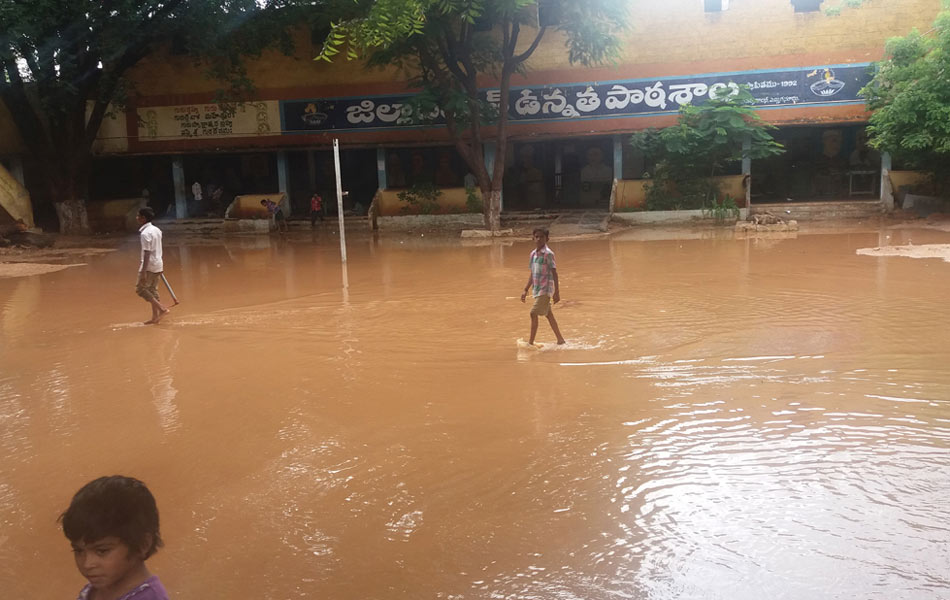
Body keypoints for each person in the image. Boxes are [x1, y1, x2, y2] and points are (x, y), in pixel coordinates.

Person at [59, 475, 170, 600]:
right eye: (79, 551)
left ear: (143, 544)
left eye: (102, 551)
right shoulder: (96, 590)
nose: (87, 564)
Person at [520, 228, 566, 346]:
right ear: (533, 238)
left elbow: (554, 273)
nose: (539, 239)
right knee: (548, 314)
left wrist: (557, 292)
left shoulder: (548, 254)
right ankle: (560, 340)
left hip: (545, 289)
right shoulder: (533, 254)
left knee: (533, 313)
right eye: (537, 237)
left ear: (547, 239)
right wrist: (526, 289)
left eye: (542, 237)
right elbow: (532, 273)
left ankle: (530, 343)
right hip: (537, 289)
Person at [135, 207, 169, 325]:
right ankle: (155, 317)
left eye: (138, 216)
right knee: (152, 290)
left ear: (143, 218)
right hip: (158, 263)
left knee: (140, 289)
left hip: (149, 266)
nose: (137, 218)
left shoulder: (145, 233)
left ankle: (161, 309)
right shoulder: (156, 230)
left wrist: (143, 271)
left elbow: (147, 252)